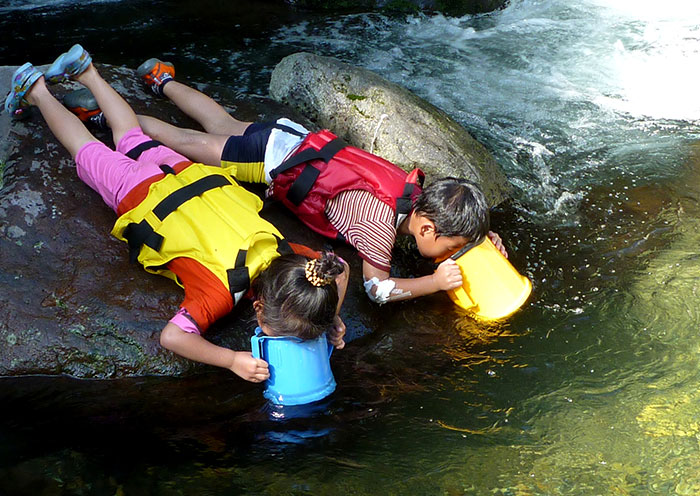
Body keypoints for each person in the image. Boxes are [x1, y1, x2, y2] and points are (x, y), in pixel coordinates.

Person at [4, 45, 349, 382]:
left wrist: (328, 316)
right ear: (258, 311)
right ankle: (36, 90)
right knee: (85, 147)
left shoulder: (294, 261)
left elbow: (341, 269)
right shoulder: (218, 292)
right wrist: (230, 360)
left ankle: (88, 71)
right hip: (138, 192)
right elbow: (172, 338)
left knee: (130, 136)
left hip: (188, 174)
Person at [66, 57, 507, 305]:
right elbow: (376, 289)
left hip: (294, 139)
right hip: (269, 162)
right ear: (426, 228)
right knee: (187, 141)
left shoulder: (411, 190)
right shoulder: (377, 225)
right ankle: (108, 117)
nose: (450, 257)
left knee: (223, 119)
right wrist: (432, 283)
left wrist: (481, 241)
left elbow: (443, 230)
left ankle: (161, 80)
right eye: (451, 248)